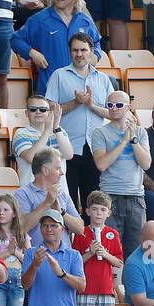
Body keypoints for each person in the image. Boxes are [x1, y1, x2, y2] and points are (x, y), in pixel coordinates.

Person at [45, 32, 114, 211]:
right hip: (67, 148)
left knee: (93, 204)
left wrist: (91, 106)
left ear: (91, 52)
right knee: (65, 202)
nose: (79, 54)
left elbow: (113, 113)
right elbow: (50, 111)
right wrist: (76, 102)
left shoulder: (103, 79)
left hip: (96, 148)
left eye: (83, 50)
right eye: (75, 50)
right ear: (70, 52)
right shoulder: (58, 75)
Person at [11, 0, 102, 97]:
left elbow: (96, 43)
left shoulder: (84, 21)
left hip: (80, 91)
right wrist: (32, 53)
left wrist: (95, 55)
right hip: (50, 90)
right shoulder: (40, 19)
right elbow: (14, 39)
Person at [89, 89, 150, 257]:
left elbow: (146, 164)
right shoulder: (100, 132)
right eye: (110, 105)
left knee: (135, 252)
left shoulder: (140, 132)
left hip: (136, 197)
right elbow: (101, 164)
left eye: (118, 105)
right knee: (109, 250)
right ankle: (112, 284)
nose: (113, 108)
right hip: (110, 197)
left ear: (128, 107)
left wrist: (133, 139)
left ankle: (131, 284)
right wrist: (123, 142)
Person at [71, 191, 124, 306]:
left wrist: (105, 254)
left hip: (106, 290)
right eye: (94, 209)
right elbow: (76, 262)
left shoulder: (112, 234)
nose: (98, 213)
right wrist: (90, 252)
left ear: (108, 212)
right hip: (85, 289)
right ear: (87, 211)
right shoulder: (81, 234)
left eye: (102, 209)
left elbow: (119, 262)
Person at [15, 147, 85, 251]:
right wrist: (46, 203)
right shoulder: (22, 194)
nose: (62, 173)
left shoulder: (62, 194)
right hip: (37, 259)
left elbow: (80, 229)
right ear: (45, 170)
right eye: (57, 168)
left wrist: (61, 212)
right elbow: (22, 227)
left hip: (64, 258)